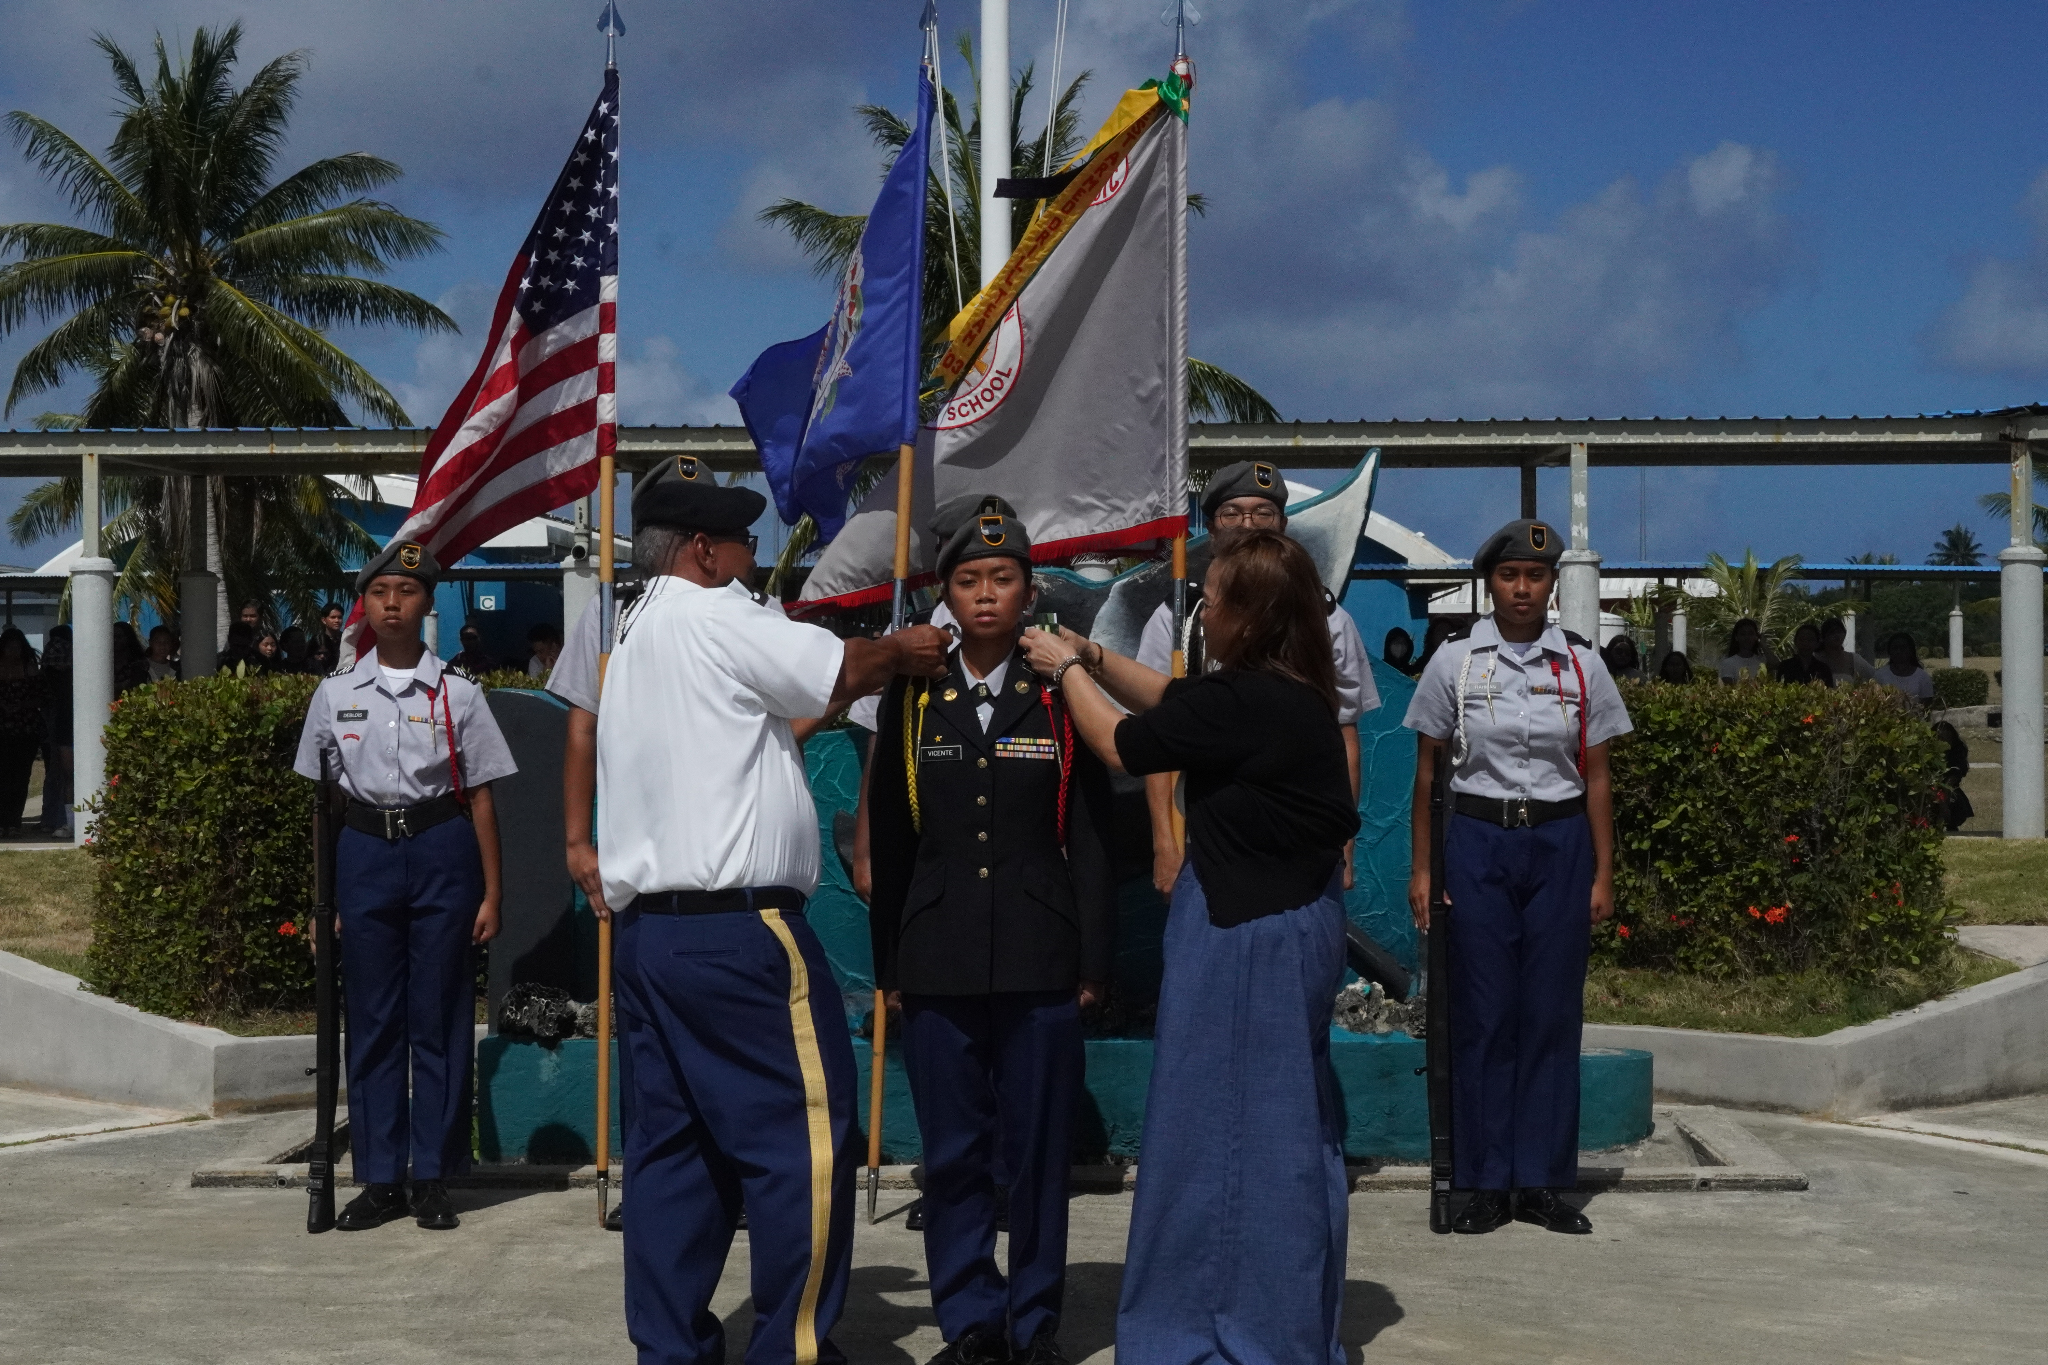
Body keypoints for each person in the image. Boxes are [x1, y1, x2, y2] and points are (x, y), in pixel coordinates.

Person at [595, 455, 949, 1365]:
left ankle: (670, 1350)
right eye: (742, 540)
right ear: (702, 551)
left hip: (651, 937)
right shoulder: (718, 612)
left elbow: (747, 733)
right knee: (806, 1144)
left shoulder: (636, 631)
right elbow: (841, 667)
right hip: (741, 934)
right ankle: (791, 1349)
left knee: (674, 1158)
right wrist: (899, 652)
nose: (753, 554)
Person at [1021, 530, 1360, 1365]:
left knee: (1235, 1135)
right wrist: (1092, 652)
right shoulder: (1285, 692)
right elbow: (1173, 699)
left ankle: (1224, 1328)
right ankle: (1276, 1322)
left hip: (1250, 937)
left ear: (1252, 616)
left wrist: (1062, 671)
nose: (1202, 612)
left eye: (1212, 602)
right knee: (1291, 1126)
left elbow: (1124, 742)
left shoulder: (1248, 701)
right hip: (1289, 923)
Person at [868, 501, 1115, 1365]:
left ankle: (1035, 1320)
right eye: (968, 579)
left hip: (1042, 951)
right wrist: (889, 966)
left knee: (1040, 1151)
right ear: (945, 593)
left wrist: (1093, 957)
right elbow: (892, 834)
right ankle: (972, 1319)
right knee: (954, 1150)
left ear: (1027, 592)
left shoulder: (1056, 690)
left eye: (1002, 579)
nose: (984, 594)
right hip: (937, 954)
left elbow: (1091, 834)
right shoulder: (914, 692)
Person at [1402, 519, 1631, 1237]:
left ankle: (1540, 1181)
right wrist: (1423, 867)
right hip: (1478, 842)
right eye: (1509, 576)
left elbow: (1598, 776)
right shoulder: (1455, 662)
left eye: (1536, 576)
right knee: (1484, 1013)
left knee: (1551, 1013)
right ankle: (1483, 1181)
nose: (1523, 588)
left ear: (1552, 584)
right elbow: (1428, 776)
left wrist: (1602, 871)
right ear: (1490, 584)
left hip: (1559, 844)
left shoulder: (1583, 665)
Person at [292, 538, 517, 1233]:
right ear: (364, 603)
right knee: (373, 1018)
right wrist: (323, 899)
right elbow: (324, 804)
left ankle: (434, 1176)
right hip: (364, 852)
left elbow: (481, 795)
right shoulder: (334, 694)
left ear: (427, 603)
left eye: (408, 591)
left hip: (441, 849)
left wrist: (492, 892)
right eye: (380, 592)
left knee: (440, 1016)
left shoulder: (459, 692)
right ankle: (382, 1177)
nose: (392, 603)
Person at [1136, 460, 1378, 896]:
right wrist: (1164, 845)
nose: (1247, 525)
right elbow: (1157, 740)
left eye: (1262, 513)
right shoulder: (1177, 618)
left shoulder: (1327, 620)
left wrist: (1345, 842)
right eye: (1232, 513)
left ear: (1282, 526)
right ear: (1211, 528)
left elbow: (1343, 734)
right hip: (1201, 839)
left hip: (1301, 839)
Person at [0, 629, 44, 832]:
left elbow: (41, 697)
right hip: (2, 728)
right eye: (9, 647)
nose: (13, 651)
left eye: (16, 647)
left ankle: (13, 820)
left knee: (20, 776)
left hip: (25, 728)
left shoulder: (30, 669)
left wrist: (22, 705)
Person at [38, 625, 71, 838]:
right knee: (62, 773)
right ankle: (58, 819)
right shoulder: (65, 650)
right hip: (60, 717)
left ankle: (50, 819)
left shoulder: (50, 651)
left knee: (55, 772)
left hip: (52, 716)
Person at [1933, 720, 1975, 832]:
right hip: (1932, 787)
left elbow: (1953, 777)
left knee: (1951, 817)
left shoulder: (1956, 754)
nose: (1943, 742)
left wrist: (1943, 802)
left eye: (1946, 739)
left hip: (1950, 790)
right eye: (1939, 738)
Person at [1876, 632, 1934, 707]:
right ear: (1889, 651)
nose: (1898, 651)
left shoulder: (1923, 677)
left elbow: (1927, 706)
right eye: (1895, 648)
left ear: (1911, 650)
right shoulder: (1880, 675)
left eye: (1903, 648)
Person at [1772, 622, 1834, 687]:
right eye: (1802, 639)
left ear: (1817, 643)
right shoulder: (1785, 666)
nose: (1805, 643)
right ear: (1795, 641)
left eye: (1810, 640)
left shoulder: (1823, 669)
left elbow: (1829, 691)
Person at [1816, 617, 1875, 685]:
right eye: (1832, 632)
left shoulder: (1854, 659)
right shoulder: (1815, 658)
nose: (1836, 635)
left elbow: (1875, 675)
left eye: (1839, 632)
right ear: (1824, 637)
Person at [1717, 618, 1770, 684]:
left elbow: (1776, 665)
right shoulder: (1728, 663)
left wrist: (1764, 645)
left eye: (1751, 633)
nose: (1747, 637)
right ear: (1736, 637)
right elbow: (1729, 687)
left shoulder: (1762, 660)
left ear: (1756, 636)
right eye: (1743, 634)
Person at [112, 622, 151, 694]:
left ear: (128, 638)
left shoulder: (138, 664)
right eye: (113, 637)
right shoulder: (104, 663)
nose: (115, 640)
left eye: (119, 637)